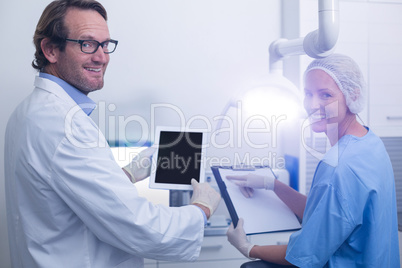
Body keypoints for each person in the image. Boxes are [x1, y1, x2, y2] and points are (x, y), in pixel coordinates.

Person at [4, 0, 221, 267]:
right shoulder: (63, 124)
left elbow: (60, 197)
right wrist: (201, 209)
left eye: (105, 44)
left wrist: (126, 174)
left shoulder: (28, 111)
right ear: (50, 50)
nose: (102, 57)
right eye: (87, 44)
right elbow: (141, 228)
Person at [225, 53, 400, 267]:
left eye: (325, 95)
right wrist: (272, 185)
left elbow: (303, 255)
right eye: (308, 93)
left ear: (352, 96)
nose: (312, 105)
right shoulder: (370, 143)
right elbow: (329, 212)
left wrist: (248, 248)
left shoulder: (337, 166)